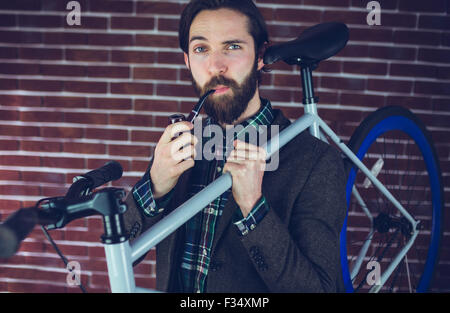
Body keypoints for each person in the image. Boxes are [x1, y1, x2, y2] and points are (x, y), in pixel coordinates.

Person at [123, 0, 347, 293]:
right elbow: (122, 254)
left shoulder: (316, 161)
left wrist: (254, 209)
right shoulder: (180, 146)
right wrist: (153, 187)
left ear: (260, 56)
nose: (216, 66)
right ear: (187, 61)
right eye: (201, 49)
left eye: (232, 46)